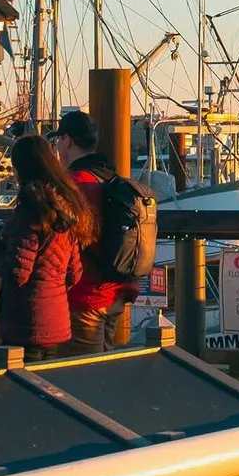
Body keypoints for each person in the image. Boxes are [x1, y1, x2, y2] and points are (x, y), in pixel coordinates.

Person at [53, 108, 156, 354]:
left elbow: (63, 240)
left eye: (59, 140)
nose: (57, 146)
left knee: (80, 376)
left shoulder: (74, 184)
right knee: (102, 370)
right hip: (116, 292)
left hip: (86, 295)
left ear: (67, 141)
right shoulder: (109, 178)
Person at [0, 134, 90, 354]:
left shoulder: (31, 210)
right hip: (56, 323)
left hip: (25, 323)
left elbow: (17, 274)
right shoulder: (65, 208)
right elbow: (74, 274)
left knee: (21, 384)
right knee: (47, 386)